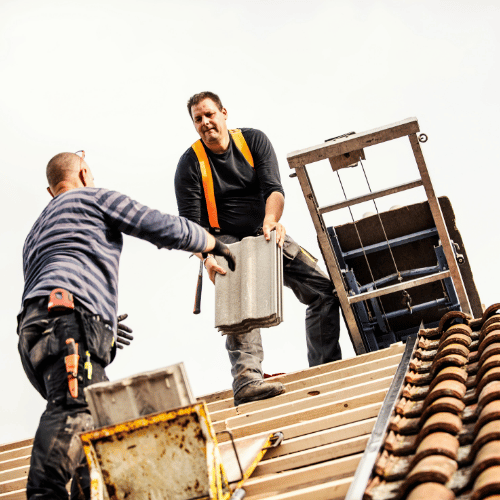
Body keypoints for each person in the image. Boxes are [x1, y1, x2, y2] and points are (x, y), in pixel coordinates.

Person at [18, 151, 235, 500]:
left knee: (94, 430)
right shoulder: (92, 197)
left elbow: (54, 279)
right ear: (85, 173)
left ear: (50, 190)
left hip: (38, 332)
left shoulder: (36, 231)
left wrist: (100, 320)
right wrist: (211, 242)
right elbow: (159, 226)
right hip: (69, 320)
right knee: (75, 411)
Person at [174, 91, 341, 407]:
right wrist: (208, 258)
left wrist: (271, 220)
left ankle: (325, 366)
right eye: (198, 119)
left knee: (323, 290)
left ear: (224, 113)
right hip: (224, 242)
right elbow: (190, 229)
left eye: (209, 114)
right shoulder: (189, 165)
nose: (205, 122)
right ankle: (248, 381)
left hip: (264, 230)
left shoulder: (253, 141)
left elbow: (274, 189)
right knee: (239, 304)